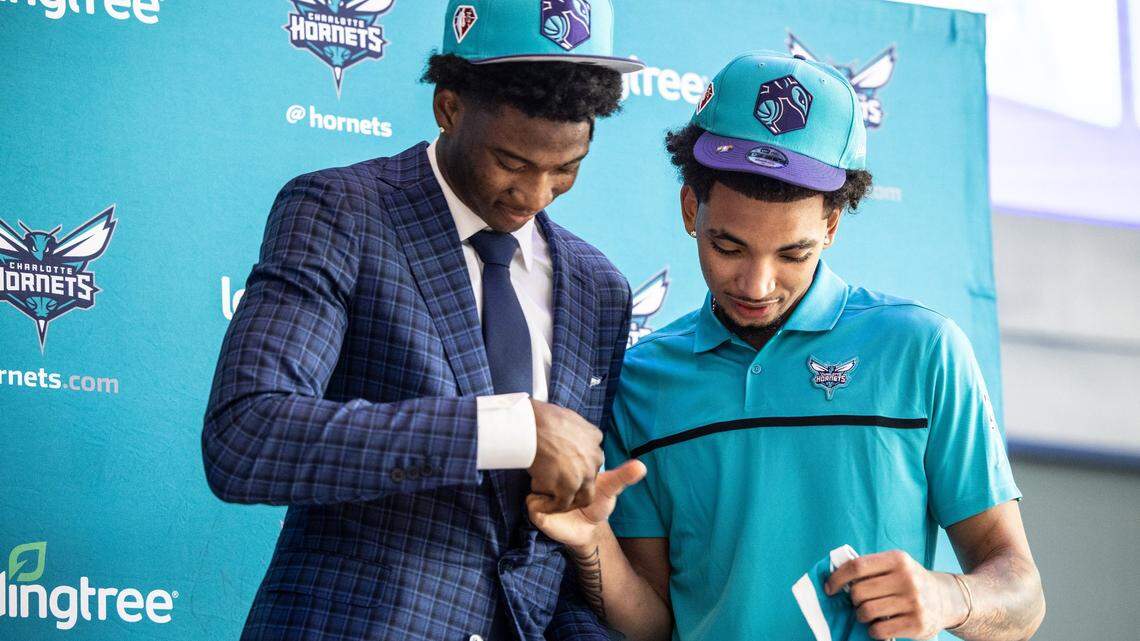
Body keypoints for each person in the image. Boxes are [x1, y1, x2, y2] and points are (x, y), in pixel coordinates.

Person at [529, 51, 1046, 641]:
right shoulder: (642, 379)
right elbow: (653, 627)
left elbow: (1023, 599)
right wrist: (593, 540)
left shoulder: (923, 350)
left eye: (793, 255)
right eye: (728, 247)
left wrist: (947, 595)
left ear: (831, 226)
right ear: (690, 209)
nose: (757, 285)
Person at [201, 1, 644, 639]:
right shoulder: (341, 213)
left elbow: (537, 571)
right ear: (449, 107)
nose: (535, 194)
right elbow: (247, 436)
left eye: (566, 169)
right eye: (512, 163)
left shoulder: (600, 288)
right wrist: (507, 429)